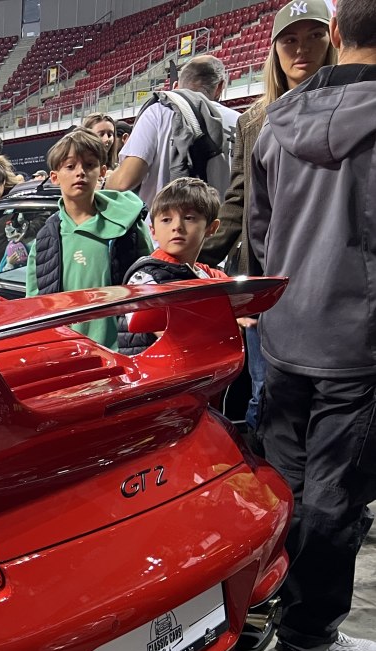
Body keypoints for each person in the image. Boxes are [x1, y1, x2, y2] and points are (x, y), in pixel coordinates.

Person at [250, 0, 376, 651]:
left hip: (284, 328)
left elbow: (258, 233)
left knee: (286, 482)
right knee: (335, 495)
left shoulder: (274, 121)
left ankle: (269, 607)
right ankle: (306, 636)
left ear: (333, 35)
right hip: (357, 339)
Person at [199, 0, 336, 441]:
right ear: (275, 51)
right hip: (275, 283)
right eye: (290, 40)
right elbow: (241, 202)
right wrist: (189, 261)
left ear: (332, 40)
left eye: (314, 36)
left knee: (334, 405)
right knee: (270, 396)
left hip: (337, 276)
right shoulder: (256, 120)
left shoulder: (350, 105)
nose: (303, 50)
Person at [25, 127, 151, 349]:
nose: (80, 172)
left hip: (122, 352)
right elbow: (35, 307)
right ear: (54, 177)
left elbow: (148, 285)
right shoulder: (45, 240)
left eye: (89, 165)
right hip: (66, 353)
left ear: (102, 172)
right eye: (70, 166)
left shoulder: (129, 226)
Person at [117, 177, 231, 355]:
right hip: (155, 375)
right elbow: (166, 331)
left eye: (189, 218)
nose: (177, 227)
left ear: (212, 227)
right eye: (166, 220)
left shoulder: (204, 274)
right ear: (152, 230)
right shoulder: (145, 276)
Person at [106, 55, 240, 203]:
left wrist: (105, 182)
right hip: (220, 222)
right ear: (220, 86)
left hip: (161, 222)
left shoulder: (157, 112)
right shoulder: (240, 121)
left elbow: (124, 181)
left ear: (176, 86)